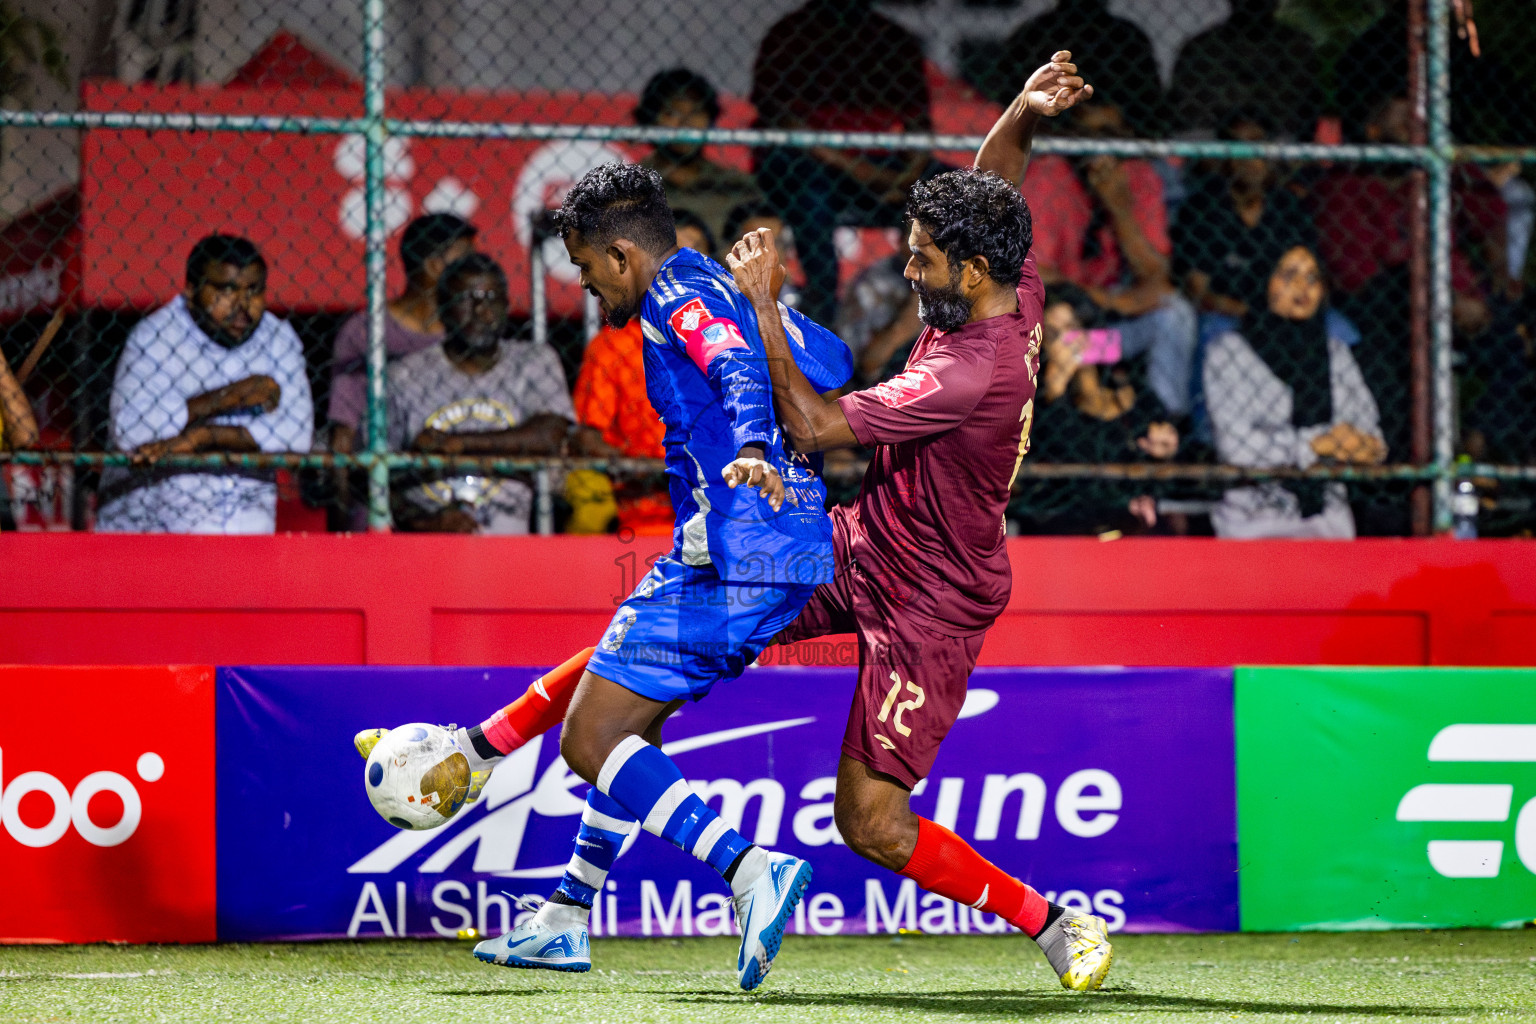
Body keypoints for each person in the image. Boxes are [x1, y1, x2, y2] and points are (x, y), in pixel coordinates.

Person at [721, 52, 1113, 993]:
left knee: (870, 822)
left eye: (922, 257)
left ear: (969, 270)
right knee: (690, 612)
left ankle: (1053, 925)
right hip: (863, 543)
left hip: (933, 602)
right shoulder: (1007, 285)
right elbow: (992, 184)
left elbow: (813, 426)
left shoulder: (962, 374)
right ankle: (496, 757)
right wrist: (1021, 110)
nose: (906, 264)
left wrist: (766, 308)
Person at [469, 161, 855, 990]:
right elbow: (834, 360)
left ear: (619, 256)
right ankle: (565, 917)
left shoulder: (678, 293)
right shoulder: (726, 285)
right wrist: (765, 309)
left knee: (589, 738)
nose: (585, 285)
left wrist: (750, 446)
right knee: (630, 731)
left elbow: (737, 374)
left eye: (583, 267)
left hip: (733, 546)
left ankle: (752, 872)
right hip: (782, 550)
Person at [97, 235, 313, 534]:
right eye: (226, 290)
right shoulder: (155, 337)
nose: (243, 305)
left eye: (254, 290)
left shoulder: (278, 338)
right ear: (190, 290)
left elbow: (297, 437)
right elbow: (132, 431)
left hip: (248, 532)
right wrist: (226, 398)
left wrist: (203, 437)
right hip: (155, 535)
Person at [387, 253, 610, 534]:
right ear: (441, 308)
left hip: (511, 539)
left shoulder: (531, 361)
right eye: (467, 298)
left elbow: (552, 433)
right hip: (428, 536)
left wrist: (458, 444)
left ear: (506, 305)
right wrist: (426, 523)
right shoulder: (406, 375)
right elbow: (377, 477)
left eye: (491, 297)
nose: (481, 310)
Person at [750, 0, 943, 325]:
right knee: (809, 187)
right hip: (813, 159)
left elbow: (918, 125)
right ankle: (823, 308)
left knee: (944, 182)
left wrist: (907, 176)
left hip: (884, 161)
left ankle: (937, 295)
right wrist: (862, 171)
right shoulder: (791, 35)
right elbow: (783, 121)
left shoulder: (892, 38)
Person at [1021, 97, 1197, 417]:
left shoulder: (1139, 177)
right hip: (1057, 316)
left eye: (1110, 133)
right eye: (1089, 133)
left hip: (1104, 331)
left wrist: (1119, 208)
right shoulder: (1049, 175)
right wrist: (1106, 301)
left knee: (1176, 315)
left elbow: (1156, 274)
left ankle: (1162, 427)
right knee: (1058, 316)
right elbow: (1030, 271)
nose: (1099, 145)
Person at [1203, 246, 1385, 539]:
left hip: (1328, 522)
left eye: (1313, 278)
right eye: (1289, 276)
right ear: (1263, 282)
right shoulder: (1228, 352)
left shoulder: (1334, 352)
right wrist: (1314, 446)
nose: (1303, 287)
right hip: (1253, 525)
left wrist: (1360, 444)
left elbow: (1371, 434)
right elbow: (1235, 448)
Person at [1012, 297, 1179, 535]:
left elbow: (1155, 422)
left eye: (1071, 327)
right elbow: (1069, 453)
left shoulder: (1123, 379)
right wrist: (1056, 385)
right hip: (1068, 523)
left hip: (1133, 520)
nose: (1067, 340)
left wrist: (1163, 443)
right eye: (1054, 333)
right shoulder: (1039, 397)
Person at [330, 213, 477, 453]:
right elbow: (345, 426)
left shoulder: (473, 330)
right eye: (465, 262)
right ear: (433, 267)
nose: (475, 273)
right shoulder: (365, 330)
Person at [636, 68, 764, 249]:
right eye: (673, 113)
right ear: (650, 120)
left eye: (696, 112)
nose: (686, 123)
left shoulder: (736, 185)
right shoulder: (631, 189)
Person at [998, 0, 1162, 136]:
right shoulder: (1033, 35)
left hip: (1118, 138)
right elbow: (1007, 103)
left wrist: (1112, 120)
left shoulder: (1128, 37)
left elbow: (1151, 113)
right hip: (1048, 139)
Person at [1167, 0, 1319, 141]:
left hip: (1281, 152)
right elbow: (1188, 125)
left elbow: (1306, 123)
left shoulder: (1299, 50)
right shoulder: (1201, 50)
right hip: (1212, 153)